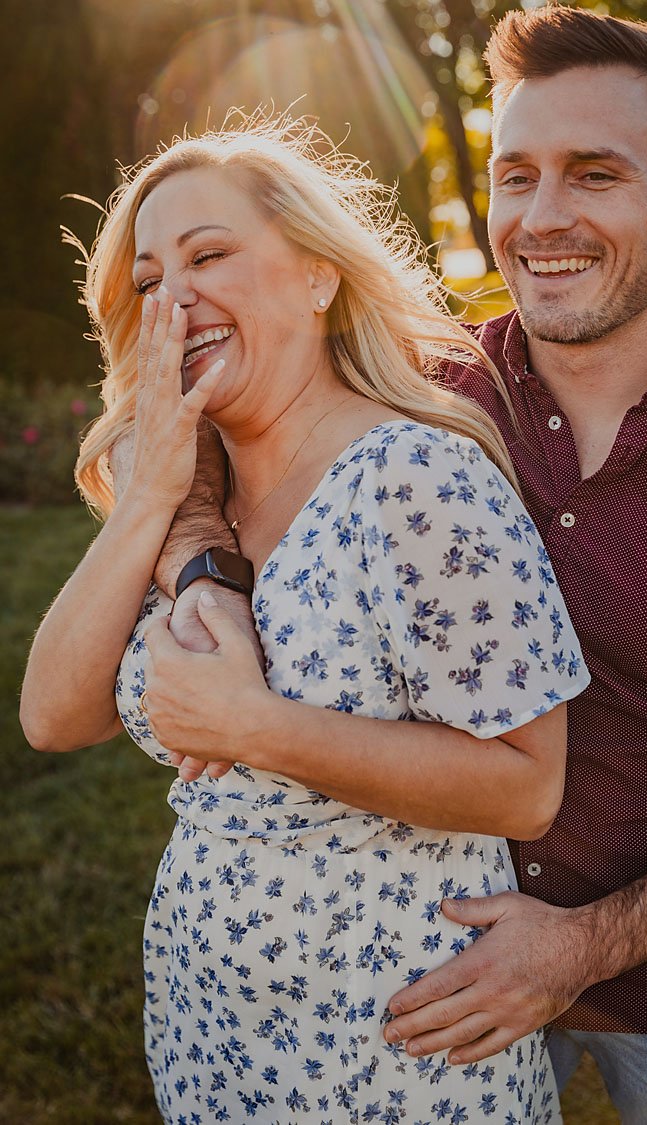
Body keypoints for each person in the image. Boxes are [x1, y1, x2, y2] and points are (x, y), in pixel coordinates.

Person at [108, 7, 647, 1124]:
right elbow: (183, 435)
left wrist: (585, 944)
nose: (541, 218)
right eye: (516, 176)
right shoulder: (413, 390)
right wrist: (208, 568)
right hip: (422, 970)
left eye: (596, 175)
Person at [20, 113, 590, 1123]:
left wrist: (255, 727)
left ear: (319, 276)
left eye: (209, 256)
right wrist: (148, 497)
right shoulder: (188, 496)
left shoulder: (416, 476)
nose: (173, 296)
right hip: (212, 1030)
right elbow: (53, 718)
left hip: (392, 1050)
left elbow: (526, 786)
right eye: (148, 280)